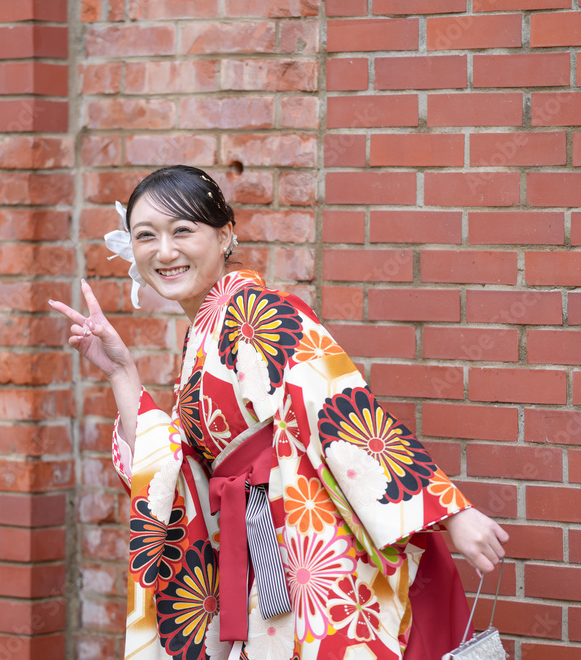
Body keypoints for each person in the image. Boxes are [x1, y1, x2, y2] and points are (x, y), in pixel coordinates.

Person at [50, 165, 508, 660]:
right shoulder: (200, 338)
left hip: (317, 544)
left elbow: (340, 409)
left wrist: (450, 511)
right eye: (146, 236)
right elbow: (177, 466)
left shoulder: (262, 312)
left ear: (226, 235)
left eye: (183, 230)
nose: (164, 252)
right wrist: (122, 374)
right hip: (264, 548)